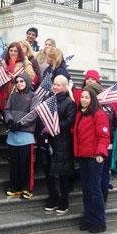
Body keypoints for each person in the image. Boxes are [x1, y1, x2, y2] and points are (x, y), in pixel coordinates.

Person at [74, 87, 110, 233]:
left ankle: (99, 221)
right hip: (83, 156)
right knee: (86, 190)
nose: (83, 100)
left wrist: (100, 153)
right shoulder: (81, 114)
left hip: (95, 157)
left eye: (87, 97)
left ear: (93, 99)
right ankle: (88, 219)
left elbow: (104, 136)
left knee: (95, 190)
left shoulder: (99, 114)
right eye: (82, 97)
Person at [43, 75, 76, 215]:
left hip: (62, 142)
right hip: (47, 141)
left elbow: (70, 121)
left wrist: (53, 127)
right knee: (48, 173)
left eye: (57, 85)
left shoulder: (69, 103)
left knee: (62, 175)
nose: (54, 87)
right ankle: (53, 198)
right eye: (54, 84)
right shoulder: (47, 99)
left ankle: (64, 202)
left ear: (64, 87)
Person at [4, 73, 40, 200]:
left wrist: (20, 123)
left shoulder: (33, 96)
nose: (19, 83)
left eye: (22, 81)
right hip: (13, 136)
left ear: (27, 82)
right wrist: (9, 121)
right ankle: (14, 187)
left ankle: (27, 188)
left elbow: (34, 112)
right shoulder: (12, 96)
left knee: (26, 165)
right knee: (14, 164)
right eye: (17, 81)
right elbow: (6, 109)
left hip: (26, 136)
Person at [0, 42, 35, 113]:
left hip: (18, 94)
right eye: (11, 50)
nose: (13, 52)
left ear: (19, 52)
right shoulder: (4, 62)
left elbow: (31, 78)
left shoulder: (25, 63)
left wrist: (17, 78)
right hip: (5, 93)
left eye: (15, 51)